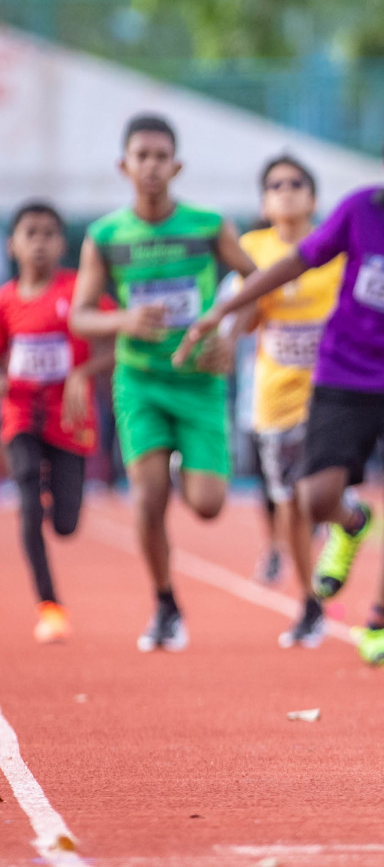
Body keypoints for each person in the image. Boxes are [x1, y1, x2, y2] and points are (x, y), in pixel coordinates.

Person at [179, 113, 384, 665]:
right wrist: (220, 311)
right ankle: (352, 524)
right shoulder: (358, 213)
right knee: (314, 499)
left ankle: (379, 622)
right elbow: (288, 267)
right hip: (344, 376)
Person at [71, 114, 252, 652]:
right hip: (140, 382)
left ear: (177, 165)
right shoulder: (105, 236)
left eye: (160, 156)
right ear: (124, 165)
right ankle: (166, 604)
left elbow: (259, 284)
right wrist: (122, 321)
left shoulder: (208, 225)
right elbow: (81, 315)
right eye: (140, 156)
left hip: (198, 381)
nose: (151, 167)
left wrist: (233, 334)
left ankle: (180, 461)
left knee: (209, 505)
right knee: (147, 500)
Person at [237, 155, 347, 645]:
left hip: (332, 395)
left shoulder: (338, 251)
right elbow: (241, 322)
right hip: (275, 398)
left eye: (296, 183)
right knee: (291, 507)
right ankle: (309, 603)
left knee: (313, 498)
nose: (285, 191)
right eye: (275, 185)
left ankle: (349, 519)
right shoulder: (252, 249)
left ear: (313, 197)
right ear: (264, 201)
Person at [1, 202, 114, 643]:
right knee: (28, 500)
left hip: (71, 420)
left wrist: (83, 374)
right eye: (30, 233)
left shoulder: (78, 290)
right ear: (13, 244)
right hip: (21, 415)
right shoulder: (7, 301)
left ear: (62, 243)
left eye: (49, 233)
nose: (40, 242)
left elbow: (115, 341)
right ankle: (49, 606)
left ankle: (53, 493)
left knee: (65, 524)